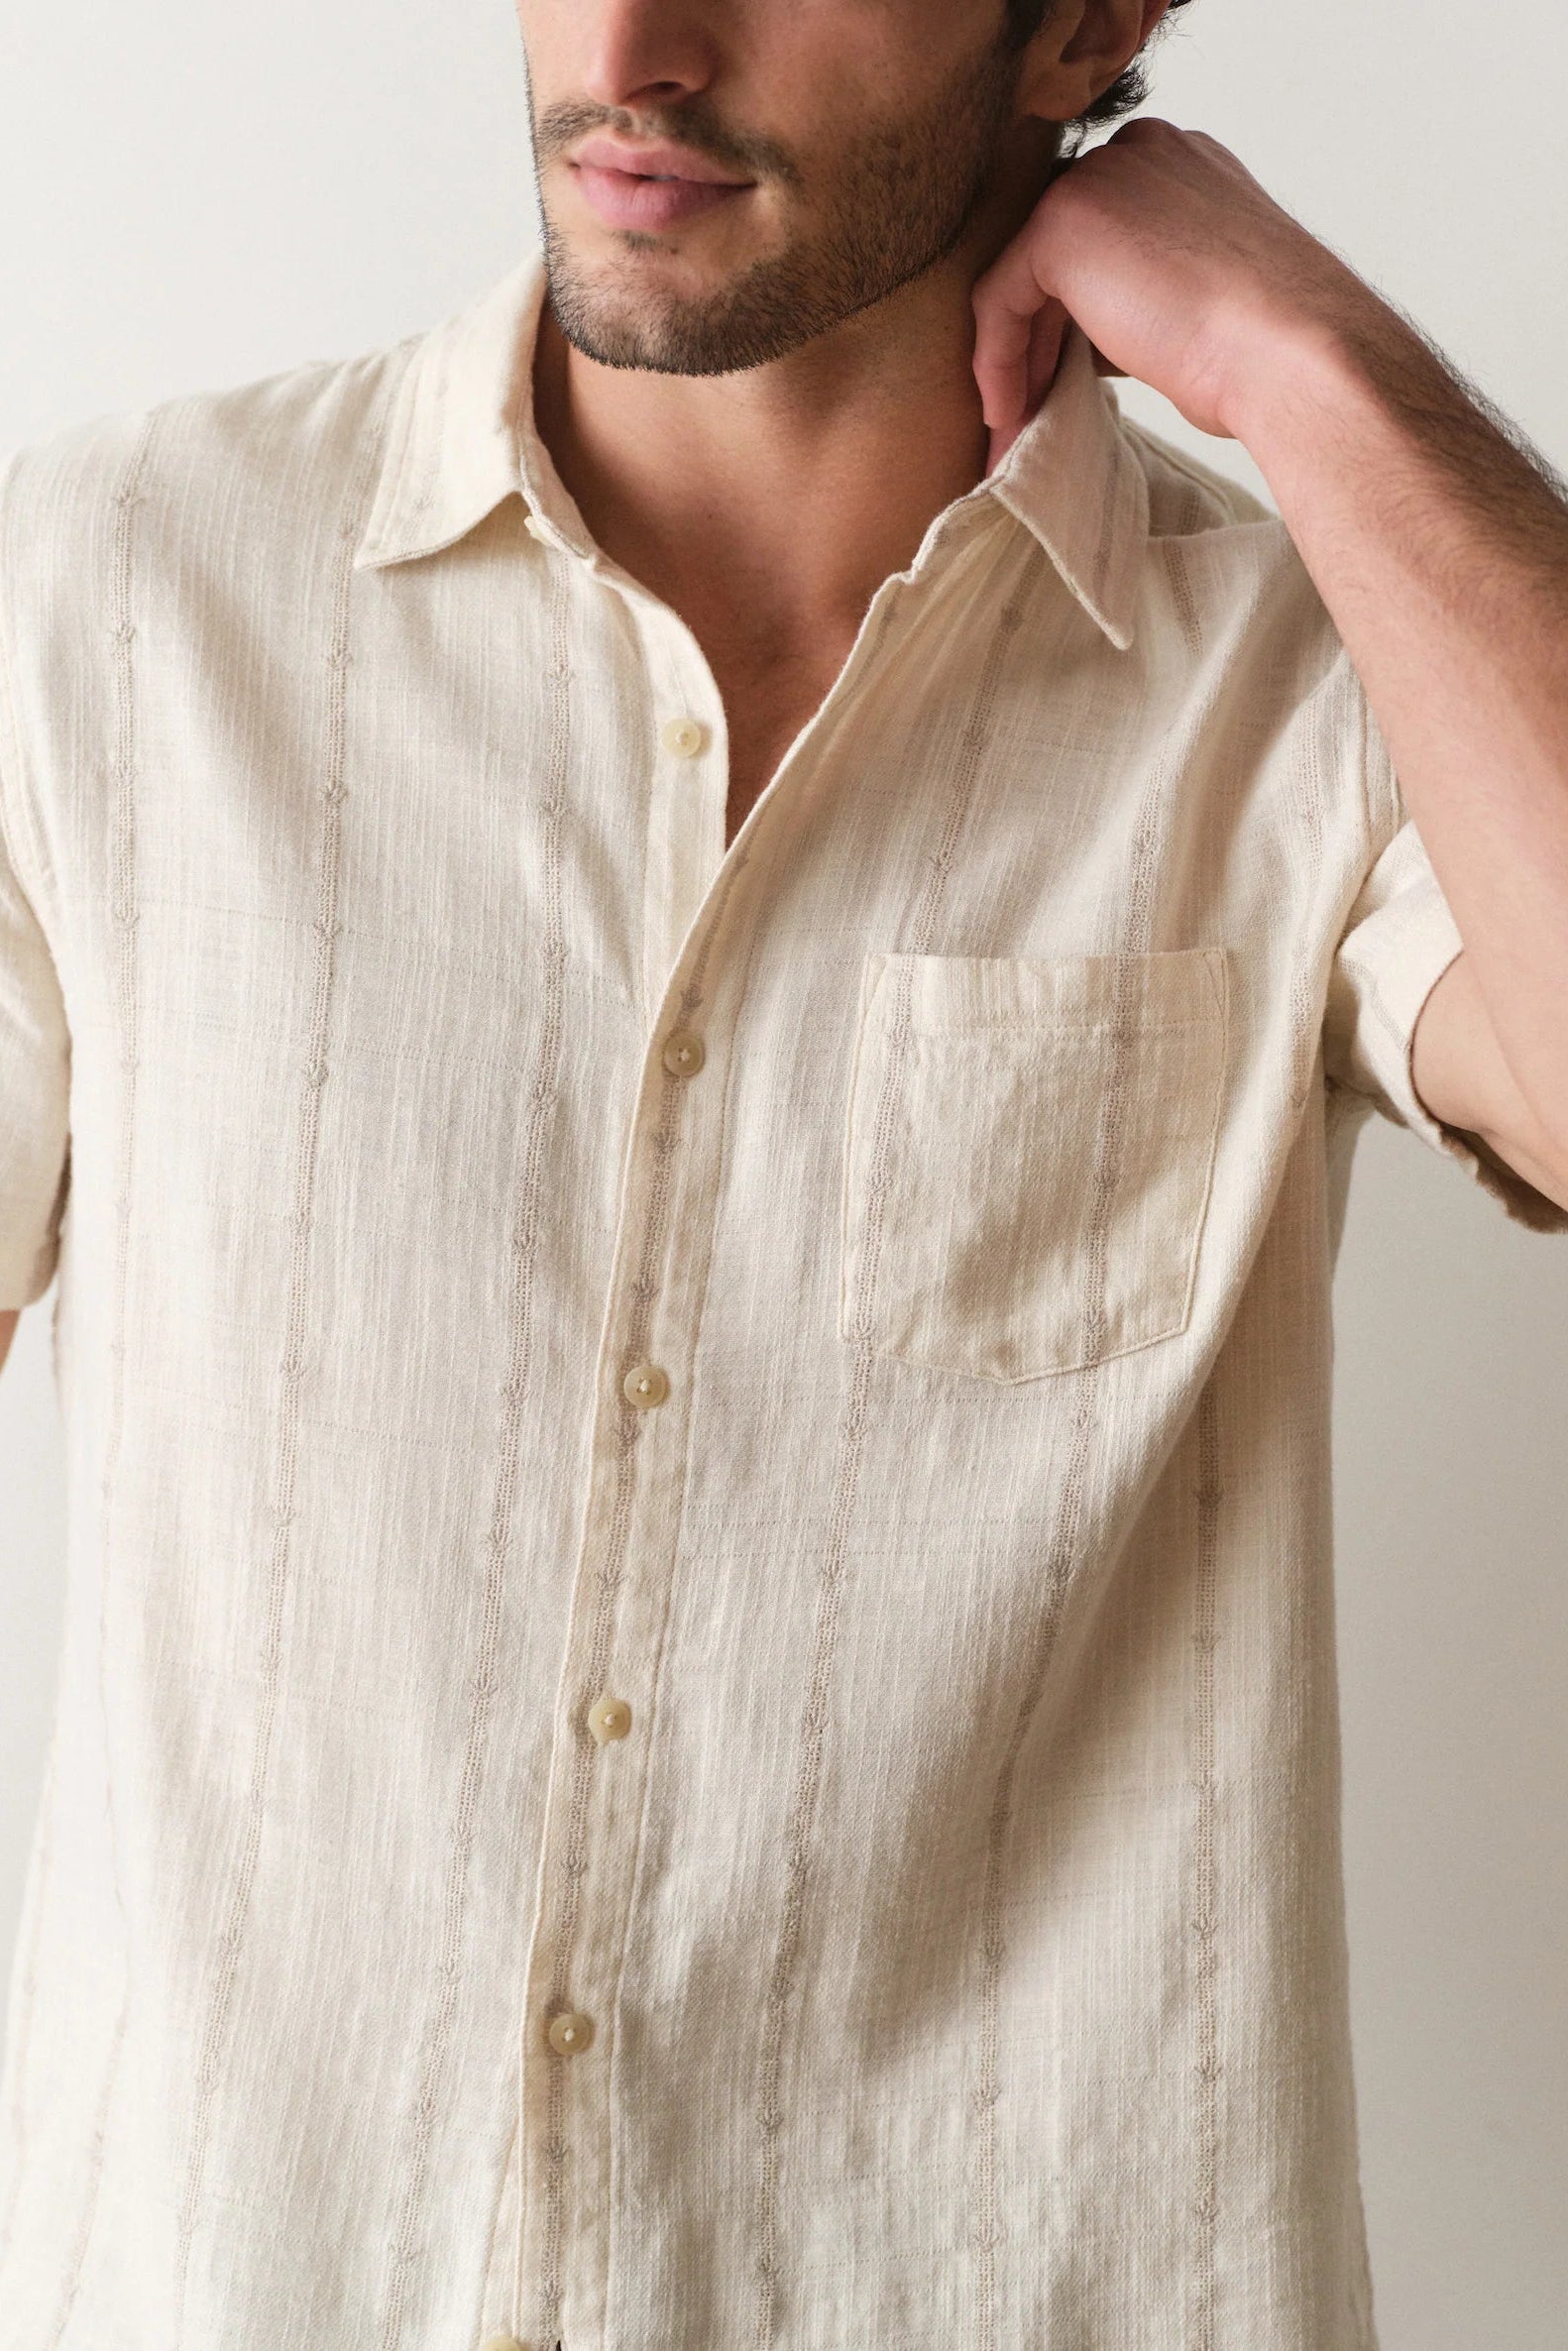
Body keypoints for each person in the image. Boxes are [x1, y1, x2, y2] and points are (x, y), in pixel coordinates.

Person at [1, 0, 1565, 2345]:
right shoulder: (109, 596)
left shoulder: (1307, 684)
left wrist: (1303, 359)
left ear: (1082, 24)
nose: (629, 50)